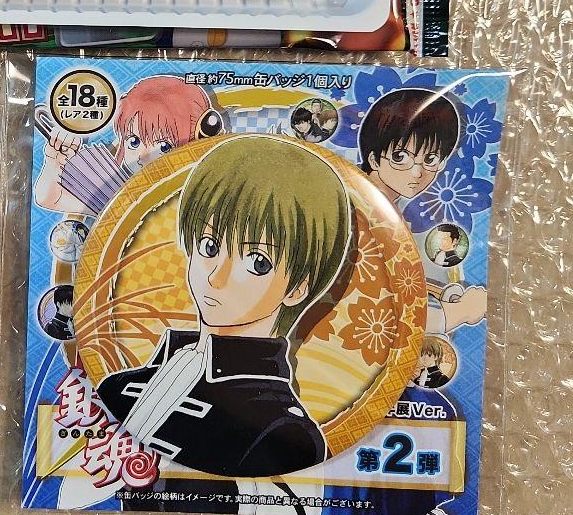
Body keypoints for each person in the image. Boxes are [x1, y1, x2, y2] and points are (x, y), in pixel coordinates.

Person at [97, 135, 351, 478]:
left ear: (297, 288)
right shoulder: (116, 388)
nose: (217, 276)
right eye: (209, 245)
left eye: (257, 262)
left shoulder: (283, 433)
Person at [358, 87, 485, 333]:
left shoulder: (385, 209)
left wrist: (439, 295)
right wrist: (460, 313)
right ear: (373, 159)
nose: (417, 172)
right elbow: (370, 309)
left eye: (430, 160)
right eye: (400, 157)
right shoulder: (357, 212)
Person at [34, 76, 213, 216]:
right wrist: (53, 161)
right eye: (134, 141)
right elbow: (51, 198)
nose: (142, 156)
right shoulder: (119, 198)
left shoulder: (200, 200)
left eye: (164, 147)